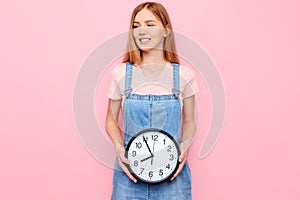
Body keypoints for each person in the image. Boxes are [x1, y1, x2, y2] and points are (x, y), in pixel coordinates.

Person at [105, 2, 199, 199]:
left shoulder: (183, 76)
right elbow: (111, 120)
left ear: (166, 31)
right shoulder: (121, 73)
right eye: (136, 26)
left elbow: (189, 121)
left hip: (173, 177)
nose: (141, 31)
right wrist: (119, 148)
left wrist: (185, 146)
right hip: (129, 176)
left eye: (149, 24)